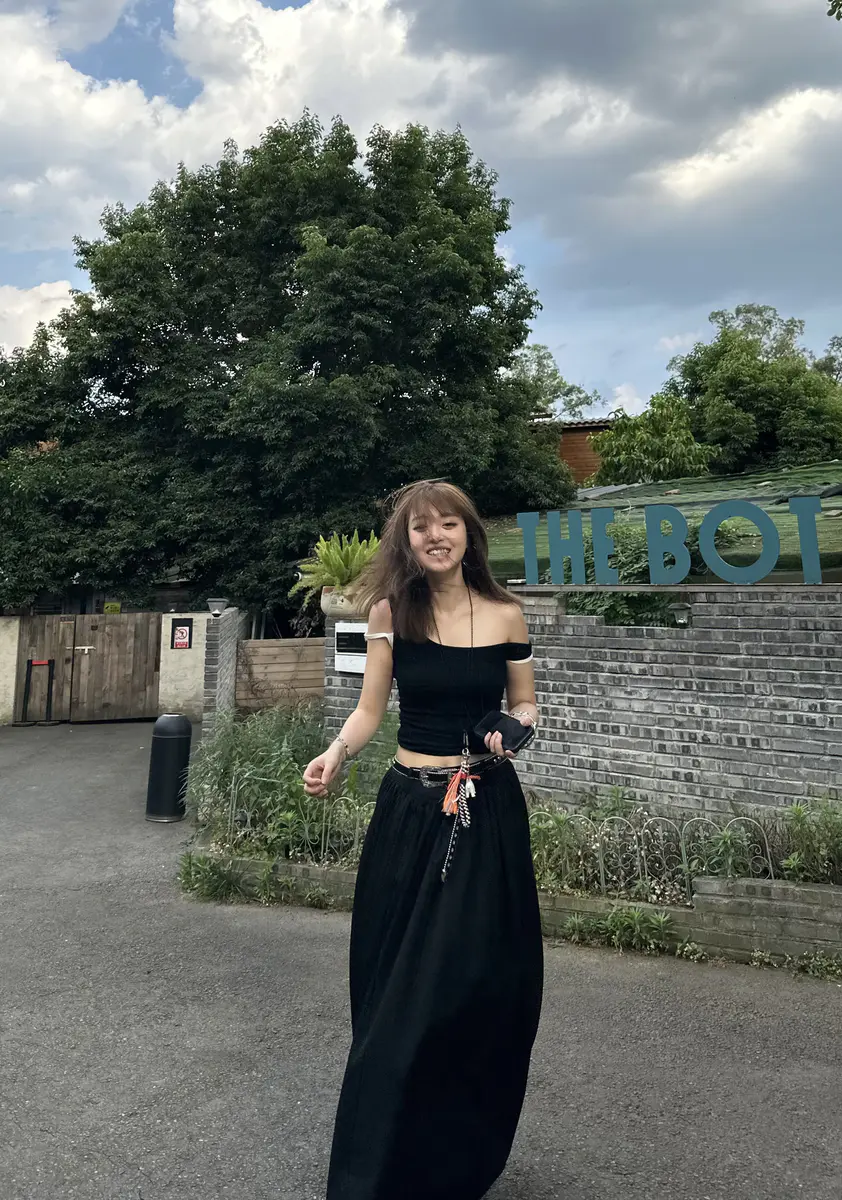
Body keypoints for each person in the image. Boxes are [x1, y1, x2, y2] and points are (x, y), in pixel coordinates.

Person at [303, 479, 544, 1200]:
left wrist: (514, 728)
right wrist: (336, 754)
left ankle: (454, 1160)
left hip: (485, 813)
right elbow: (369, 710)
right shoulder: (390, 611)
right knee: (397, 993)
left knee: (480, 988)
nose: (435, 536)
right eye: (420, 528)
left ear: (469, 534)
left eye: (448, 524)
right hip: (411, 811)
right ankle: (376, 1172)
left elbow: (525, 702)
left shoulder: (506, 613)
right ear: (406, 542)